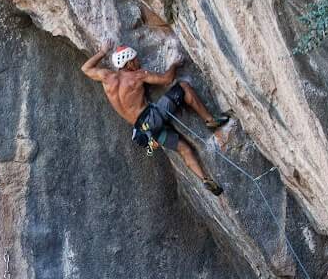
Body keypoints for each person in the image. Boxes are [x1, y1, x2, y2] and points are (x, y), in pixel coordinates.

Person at [80, 41, 230, 195]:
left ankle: (204, 178)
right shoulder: (137, 76)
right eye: (135, 60)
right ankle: (210, 120)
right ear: (129, 63)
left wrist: (102, 52)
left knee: (183, 149)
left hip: (144, 133)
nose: (138, 62)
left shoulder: (106, 77)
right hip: (152, 119)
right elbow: (167, 79)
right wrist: (175, 64)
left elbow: (85, 68)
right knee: (184, 87)